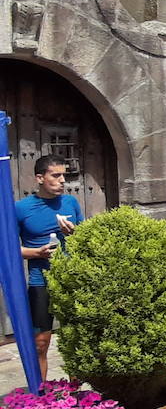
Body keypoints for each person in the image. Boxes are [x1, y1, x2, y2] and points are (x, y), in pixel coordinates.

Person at [16, 156, 83, 378]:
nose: (62, 180)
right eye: (56, 175)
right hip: (40, 282)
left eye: (63, 175)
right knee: (40, 343)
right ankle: (40, 398)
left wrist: (73, 234)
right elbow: (7, 250)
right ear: (39, 178)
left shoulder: (70, 203)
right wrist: (36, 253)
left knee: (75, 340)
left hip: (70, 280)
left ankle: (76, 396)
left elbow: (87, 239)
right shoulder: (21, 208)